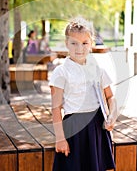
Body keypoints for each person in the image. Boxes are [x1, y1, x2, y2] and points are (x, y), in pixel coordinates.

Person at [49, 17, 117, 171]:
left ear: (91, 43)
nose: (79, 48)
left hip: (96, 127)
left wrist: (112, 115)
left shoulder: (98, 70)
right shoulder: (61, 72)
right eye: (74, 43)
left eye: (85, 43)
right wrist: (60, 138)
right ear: (66, 44)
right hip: (74, 129)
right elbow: (55, 108)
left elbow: (110, 97)